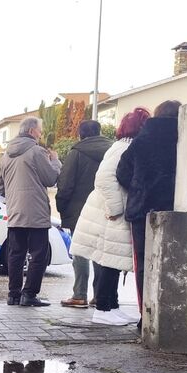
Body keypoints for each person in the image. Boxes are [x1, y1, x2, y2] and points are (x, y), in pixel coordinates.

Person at [70, 107, 151, 325]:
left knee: (111, 259)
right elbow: (104, 178)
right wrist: (116, 209)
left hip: (108, 210)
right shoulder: (123, 148)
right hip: (110, 212)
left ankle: (110, 307)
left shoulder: (123, 146)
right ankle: (103, 310)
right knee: (109, 259)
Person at [116, 100, 181, 321]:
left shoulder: (141, 140)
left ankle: (146, 315)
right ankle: (171, 314)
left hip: (142, 209)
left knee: (143, 263)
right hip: (177, 208)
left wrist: (138, 187)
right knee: (175, 262)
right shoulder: (185, 138)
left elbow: (122, 172)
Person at [0, 116, 62, 306]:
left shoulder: (6, 155)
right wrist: (56, 162)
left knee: (15, 255)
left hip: (15, 212)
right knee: (38, 255)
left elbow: (1, 188)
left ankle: (13, 295)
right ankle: (29, 295)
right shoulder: (36, 152)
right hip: (36, 213)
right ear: (33, 131)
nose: (41, 134)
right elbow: (50, 179)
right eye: (40, 130)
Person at [56, 120, 112, 308]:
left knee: (80, 251)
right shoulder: (111, 151)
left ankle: (79, 294)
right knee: (100, 253)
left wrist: (62, 207)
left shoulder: (76, 153)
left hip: (79, 211)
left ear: (81, 134)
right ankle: (99, 295)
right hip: (105, 209)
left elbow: (65, 185)